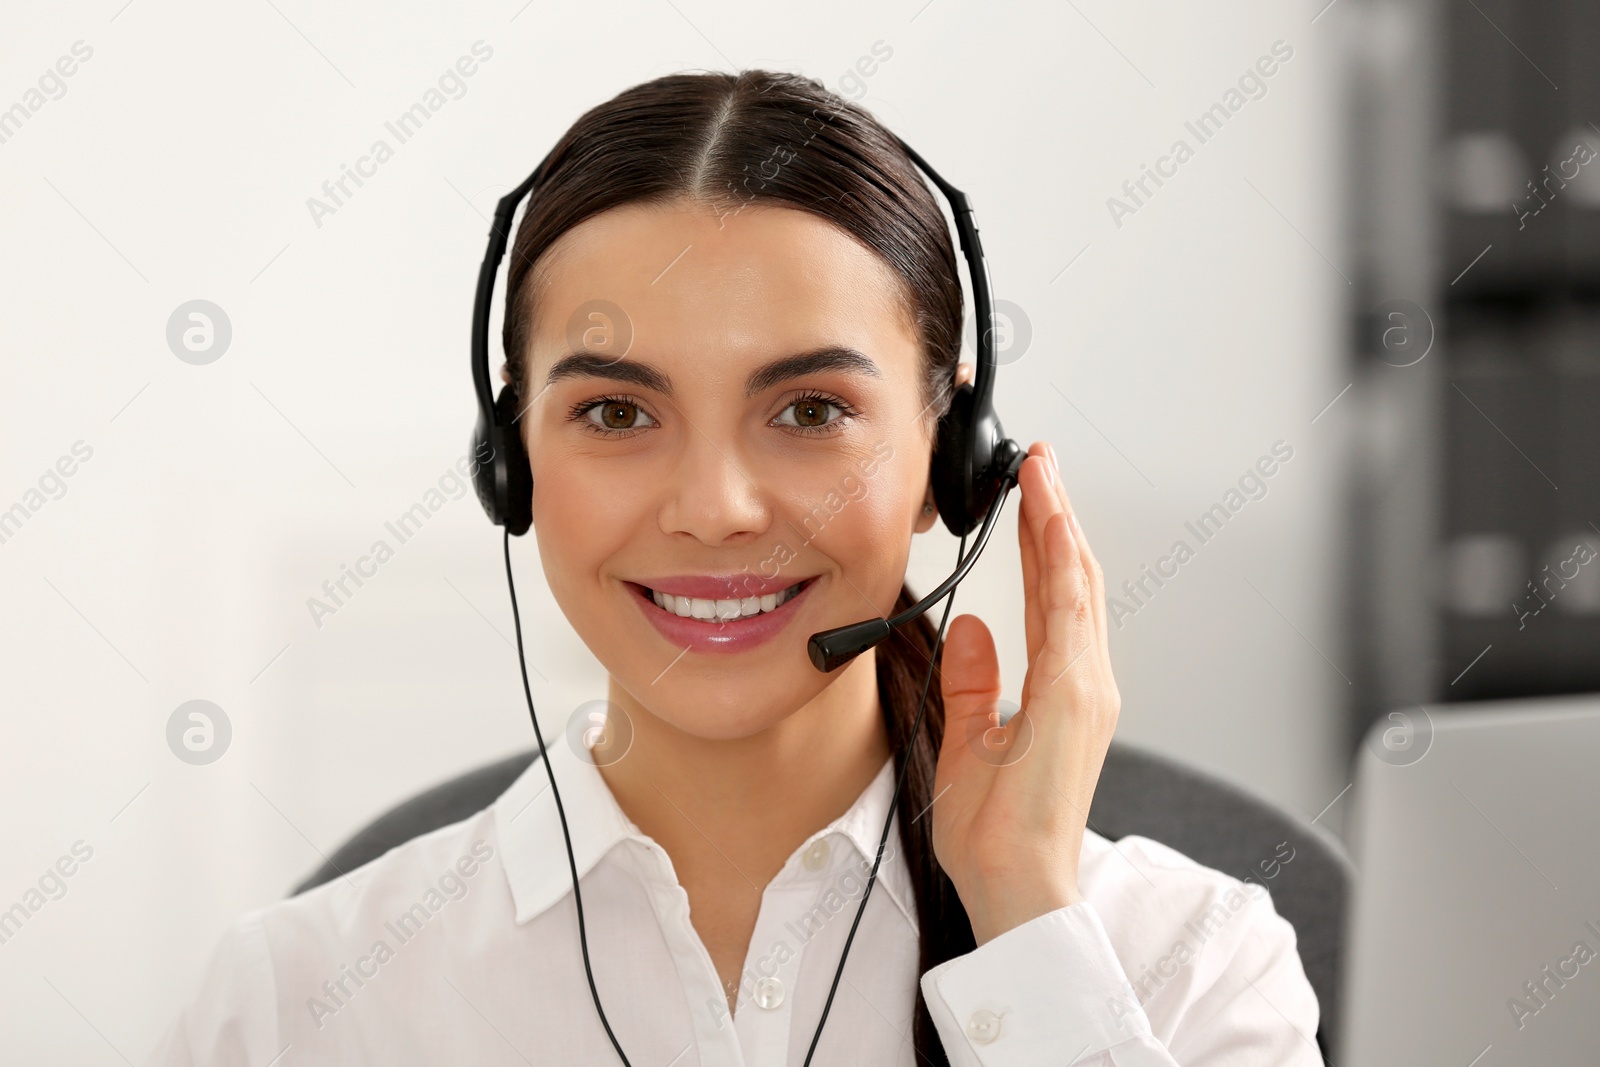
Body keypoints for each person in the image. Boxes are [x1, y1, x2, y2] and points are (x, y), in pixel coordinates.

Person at [146, 69, 1321, 1066]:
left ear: (947, 464)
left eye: (809, 409)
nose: (713, 509)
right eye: (614, 413)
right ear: (512, 464)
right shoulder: (297, 1005)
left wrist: (1024, 924)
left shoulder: (1189, 966)